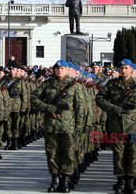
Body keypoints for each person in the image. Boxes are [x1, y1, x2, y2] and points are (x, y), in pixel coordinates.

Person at [96, 59, 136, 194]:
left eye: (126, 68)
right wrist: (112, 108)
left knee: (133, 154)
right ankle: (121, 180)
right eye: (121, 68)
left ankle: (130, 181)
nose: (123, 71)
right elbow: (99, 98)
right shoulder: (112, 84)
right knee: (118, 154)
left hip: (134, 125)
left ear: (131, 69)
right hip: (116, 124)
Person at [31, 60, 85, 193]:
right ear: (54, 70)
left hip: (68, 126)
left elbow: (80, 108)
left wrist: (79, 127)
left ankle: (65, 179)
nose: (60, 71)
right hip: (51, 125)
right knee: (52, 153)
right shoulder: (47, 84)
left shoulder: (74, 86)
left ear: (67, 70)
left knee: (68, 153)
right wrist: (45, 107)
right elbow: (33, 97)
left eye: (62, 69)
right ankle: (55, 178)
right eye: (57, 69)